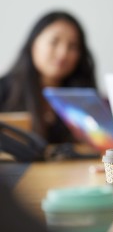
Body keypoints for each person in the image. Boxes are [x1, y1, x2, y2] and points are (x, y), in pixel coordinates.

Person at [0, 11, 97, 144]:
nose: (63, 53)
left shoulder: (84, 97)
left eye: (72, 46)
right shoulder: (4, 90)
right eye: (54, 42)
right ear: (34, 45)